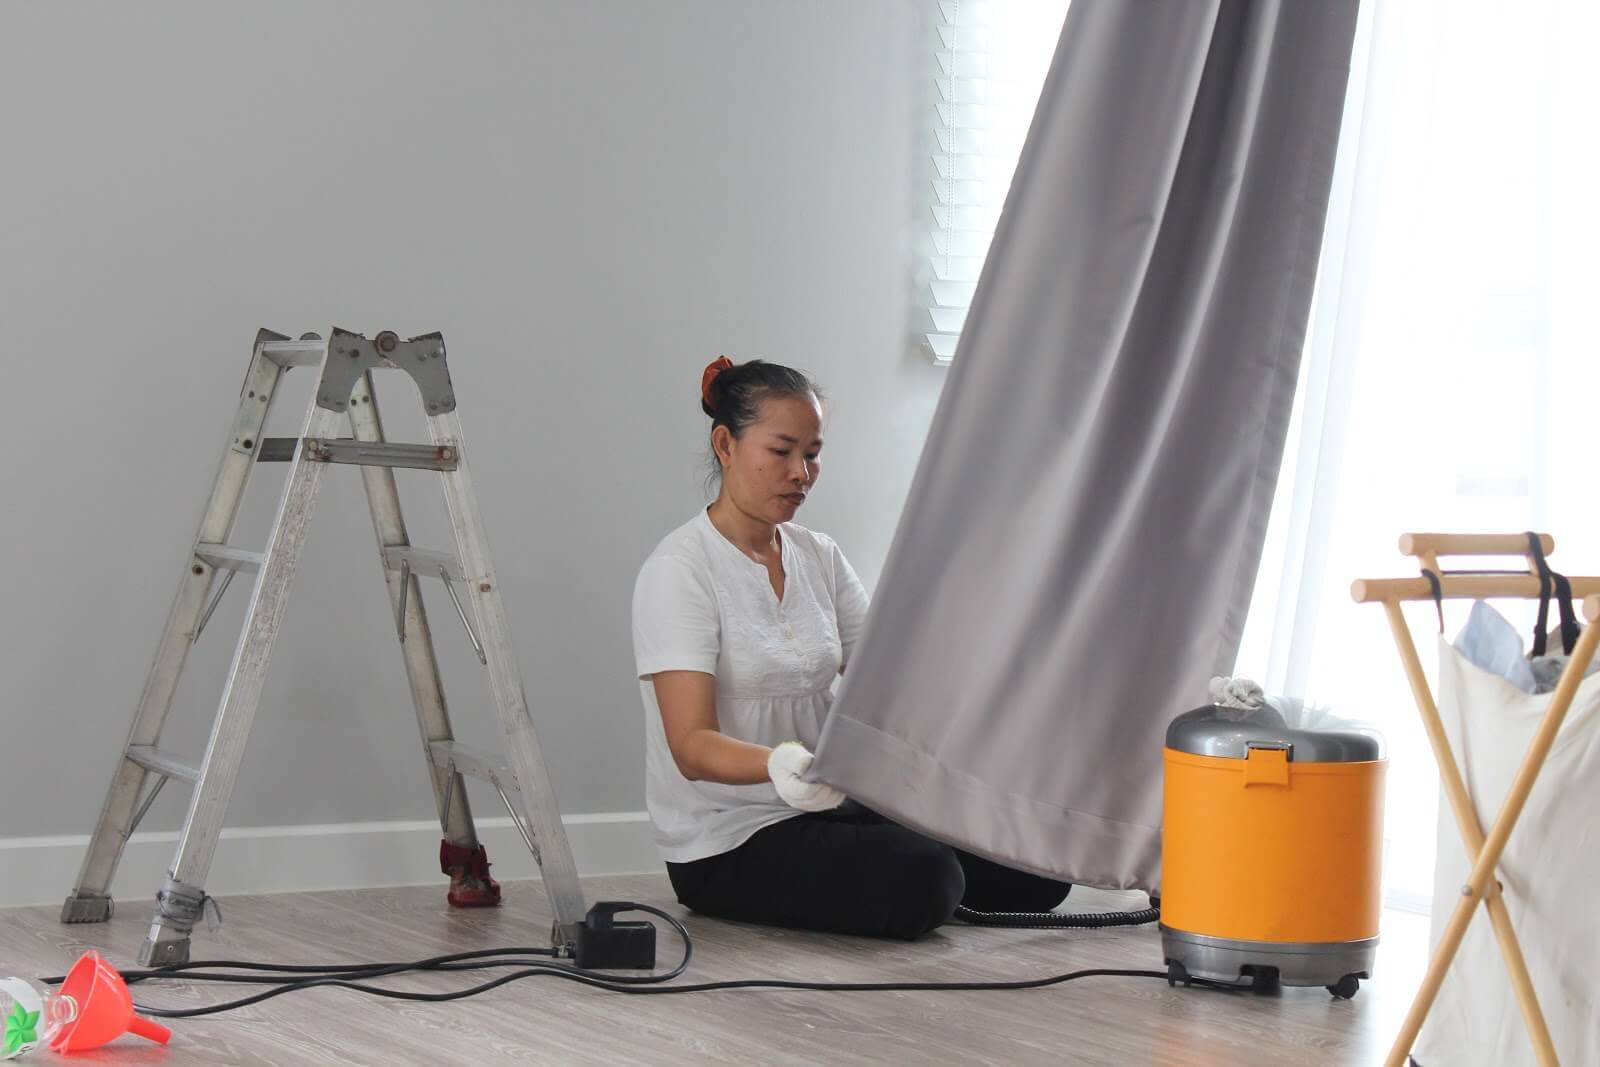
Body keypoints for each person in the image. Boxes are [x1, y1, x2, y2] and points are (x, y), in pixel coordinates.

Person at [630, 356, 1070, 940]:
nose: (801, 473)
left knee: (1038, 870)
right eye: (781, 451)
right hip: (730, 838)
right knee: (928, 877)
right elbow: (690, 746)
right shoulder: (679, 571)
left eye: (812, 454)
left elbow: (885, 680)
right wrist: (778, 764)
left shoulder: (818, 555)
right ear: (725, 444)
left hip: (833, 805)